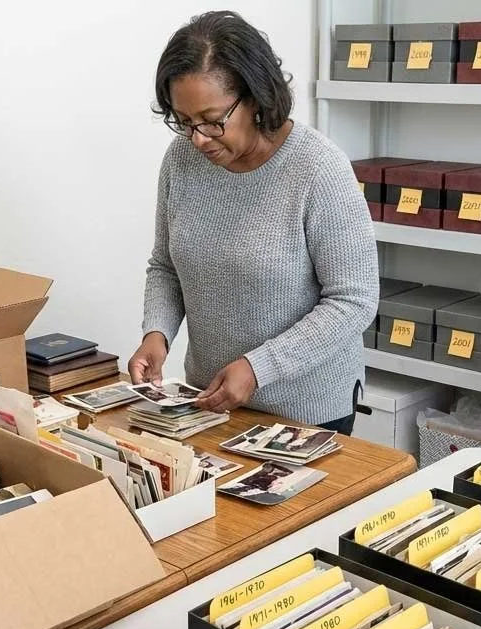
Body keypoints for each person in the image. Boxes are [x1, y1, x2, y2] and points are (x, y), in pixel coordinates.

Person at [128, 10, 379, 435]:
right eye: (184, 121)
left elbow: (354, 301)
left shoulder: (318, 168)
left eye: (212, 119)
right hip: (208, 400)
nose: (198, 138)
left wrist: (259, 367)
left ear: (256, 97)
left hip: (307, 411)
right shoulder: (181, 161)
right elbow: (166, 266)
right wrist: (158, 333)